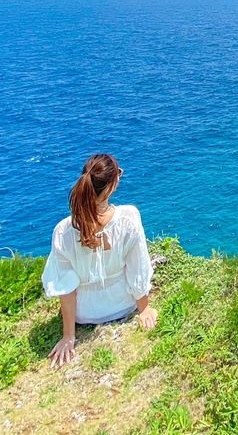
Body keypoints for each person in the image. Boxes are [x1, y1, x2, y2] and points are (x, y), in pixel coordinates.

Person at [42, 153, 157, 368]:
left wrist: (69, 336)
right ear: (112, 186)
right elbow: (137, 269)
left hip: (83, 314)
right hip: (124, 304)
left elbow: (66, 288)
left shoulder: (63, 231)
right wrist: (144, 309)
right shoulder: (128, 218)